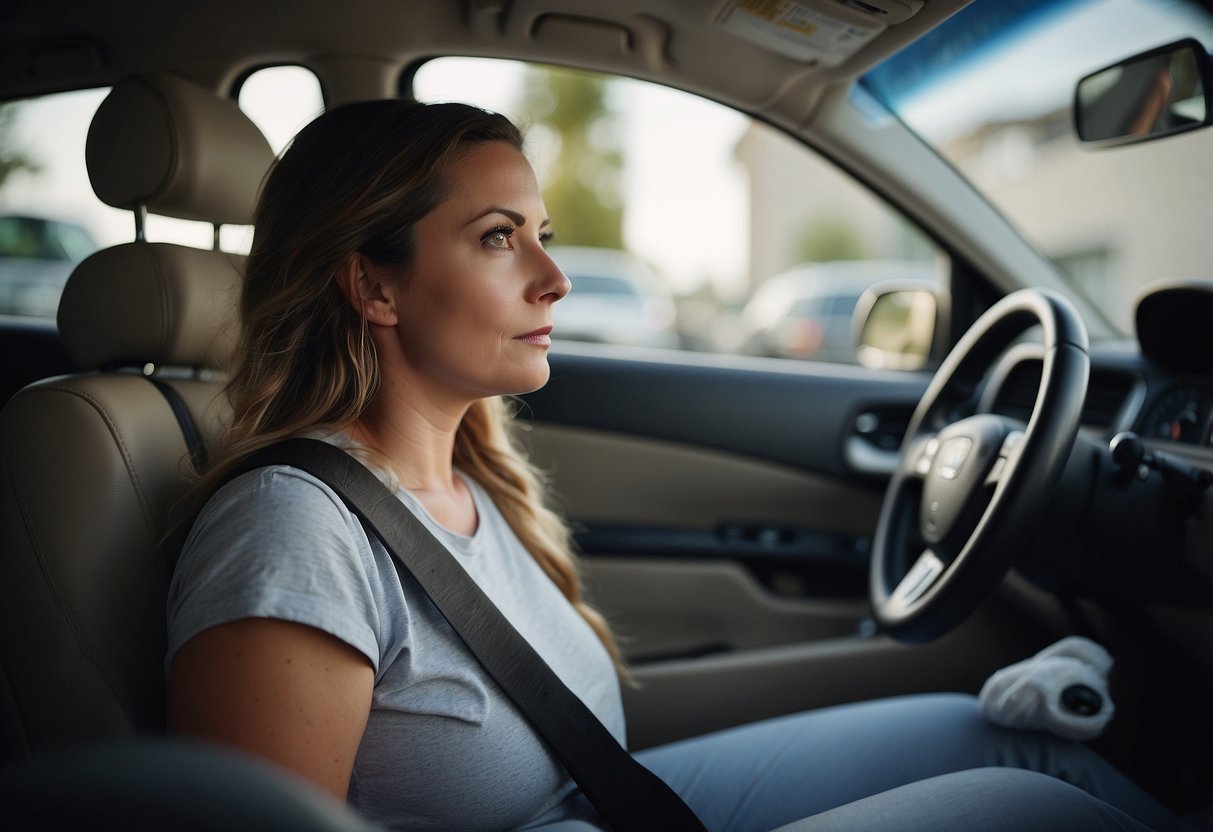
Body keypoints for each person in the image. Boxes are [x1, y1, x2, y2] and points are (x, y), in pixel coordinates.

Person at [164, 100, 1188, 832]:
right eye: (496, 238)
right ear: (373, 288)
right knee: (1027, 810)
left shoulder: (465, 479)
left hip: (597, 799)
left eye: (543, 235)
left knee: (1009, 738)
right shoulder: (292, 530)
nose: (555, 277)